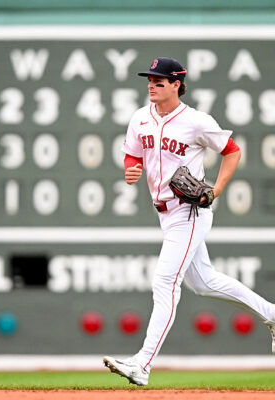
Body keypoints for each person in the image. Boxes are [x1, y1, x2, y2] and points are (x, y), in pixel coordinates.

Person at [103, 57, 275, 386]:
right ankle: (271, 313)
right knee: (203, 282)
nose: (152, 85)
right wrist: (130, 169)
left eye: (160, 80)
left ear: (177, 85)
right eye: (150, 80)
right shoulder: (140, 118)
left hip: (190, 212)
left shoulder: (196, 122)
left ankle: (143, 364)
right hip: (164, 213)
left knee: (165, 283)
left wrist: (217, 189)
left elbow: (232, 150)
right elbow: (133, 155)